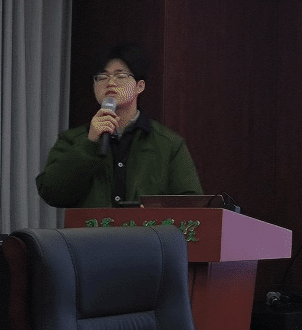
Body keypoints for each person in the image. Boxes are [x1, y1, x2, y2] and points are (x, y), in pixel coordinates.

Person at [36, 44, 202, 208]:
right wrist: (89, 143)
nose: (110, 82)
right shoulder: (72, 139)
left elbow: (191, 204)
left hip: (146, 227)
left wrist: (153, 213)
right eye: (102, 77)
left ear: (140, 86)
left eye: (120, 76)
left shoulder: (168, 143)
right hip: (92, 227)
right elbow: (51, 193)